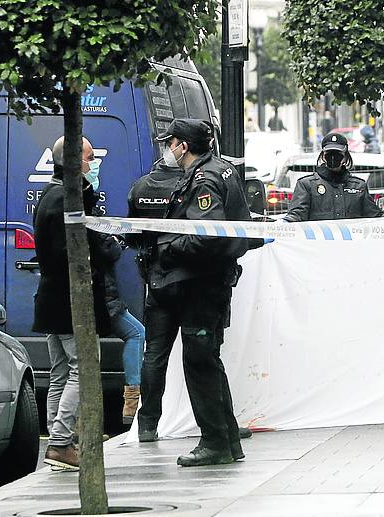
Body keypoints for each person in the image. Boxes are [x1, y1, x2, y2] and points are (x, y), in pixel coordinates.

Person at [135, 118, 259, 467]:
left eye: (170, 143)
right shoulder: (222, 170)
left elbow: (207, 234)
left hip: (202, 284)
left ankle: (215, 443)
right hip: (212, 281)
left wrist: (167, 251)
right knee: (207, 360)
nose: (168, 149)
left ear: (183, 146)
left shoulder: (204, 179)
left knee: (199, 362)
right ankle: (227, 440)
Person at [34, 136, 116, 471]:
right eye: (89, 157)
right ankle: (60, 442)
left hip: (51, 298)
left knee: (60, 373)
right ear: (71, 160)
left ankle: (58, 442)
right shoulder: (66, 199)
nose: (93, 162)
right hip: (70, 300)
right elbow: (75, 251)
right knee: (83, 369)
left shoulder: (50, 195)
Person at [283, 132, 382, 222]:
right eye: (329, 154)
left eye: (338, 154)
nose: (333, 157)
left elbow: (374, 217)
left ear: (345, 156)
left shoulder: (358, 186)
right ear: (323, 156)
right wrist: (285, 224)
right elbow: (297, 214)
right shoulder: (307, 185)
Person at [100, 235, 145, 426]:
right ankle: (132, 401)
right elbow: (108, 251)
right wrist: (115, 241)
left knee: (63, 372)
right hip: (103, 300)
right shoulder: (86, 219)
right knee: (136, 333)